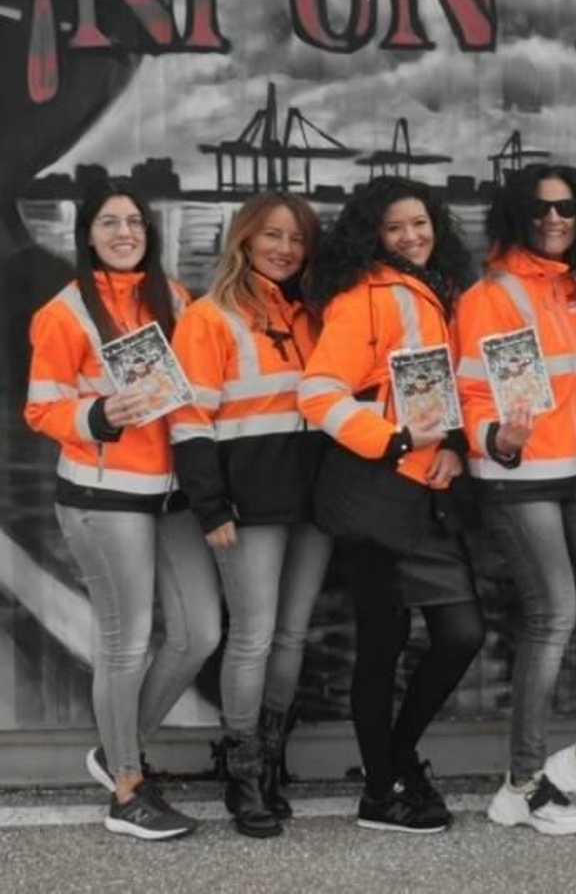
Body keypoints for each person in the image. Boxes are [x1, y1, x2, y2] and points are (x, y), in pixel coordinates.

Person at [24, 179, 220, 840]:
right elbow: (40, 408)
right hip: (103, 497)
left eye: (134, 221)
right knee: (126, 641)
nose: (124, 232)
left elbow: (196, 392)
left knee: (200, 633)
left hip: (171, 497)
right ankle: (128, 792)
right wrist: (99, 414)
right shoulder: (64, 312)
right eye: (109, 222)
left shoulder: (176, 298)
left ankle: (116, 750)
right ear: (87, 234)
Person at [455, 164, 576, 837]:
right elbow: (472, 392)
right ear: (515, 215)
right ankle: (523, 781)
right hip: (518, 476)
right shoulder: (491, 295)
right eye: (540, 210)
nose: (555, 219)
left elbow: (572, 364)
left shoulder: (570, 287)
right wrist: (496, 439)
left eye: (567, 208)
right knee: (555, 614)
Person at [297, 177, 485, 834]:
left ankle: (397, 756)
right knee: (383, 644)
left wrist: (456, 446)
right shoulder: (365, 296)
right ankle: (382, 790)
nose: (411, 237)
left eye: (420, 224)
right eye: (395, 228)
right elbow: (319, 393)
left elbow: (452, 390)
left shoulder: (441, 290)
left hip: (426, 493)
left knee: (461, 635)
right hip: (376, 492)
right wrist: (395, 439)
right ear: (372, 237)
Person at [169, 192, 332, 836]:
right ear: (243, 238)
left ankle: (271, 757)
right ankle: (242, 771)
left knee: (292, 635)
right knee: (254, 635)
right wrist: (211, 506)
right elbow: (188, 420)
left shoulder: (312, 315)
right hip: (248, 506)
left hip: (313, 501)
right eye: (272, 235)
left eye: (296, 238)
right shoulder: (209, 318)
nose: (285, 249)